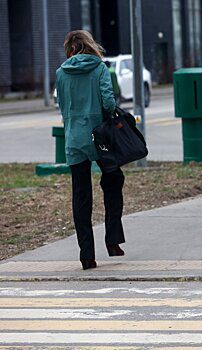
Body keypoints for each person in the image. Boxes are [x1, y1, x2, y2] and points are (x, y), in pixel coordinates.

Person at [55, 30, 126, 271]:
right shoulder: (99, 69)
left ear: (70, 49)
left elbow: (62, 106)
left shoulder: (61, 73)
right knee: (114, 181)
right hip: (100, 138)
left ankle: (87, 255)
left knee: (81, 194)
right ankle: (113, 240)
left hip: (74, 138)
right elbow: (108, 101)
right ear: (90, 46)